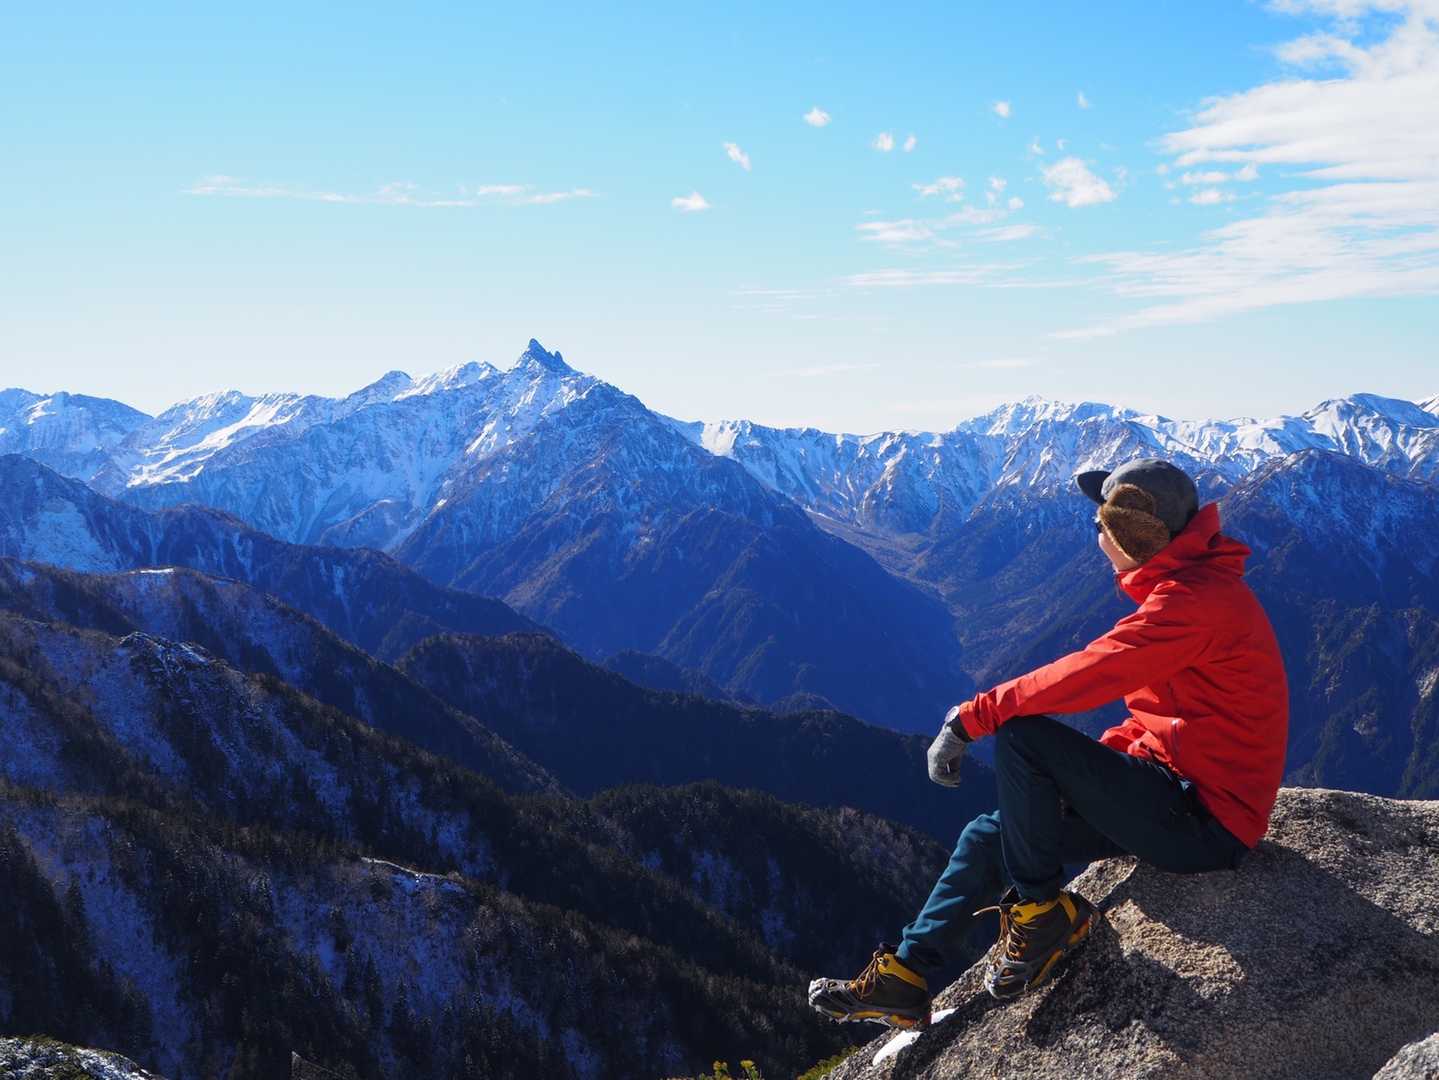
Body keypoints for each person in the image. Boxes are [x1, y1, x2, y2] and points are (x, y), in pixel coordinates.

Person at [808, 458, 1288, 1030]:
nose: (1096, 534)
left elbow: (1088, 672)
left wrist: (971, 718)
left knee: (1022, 734)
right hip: (1175, 797)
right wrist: (1089, 778)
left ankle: (1042, 916)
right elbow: (1165, 716)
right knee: (990, 835)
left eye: (1100, 524)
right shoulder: (1191, 593)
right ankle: (905, 978)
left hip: (1204, 822)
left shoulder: (1193, 605)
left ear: (1131, 531)